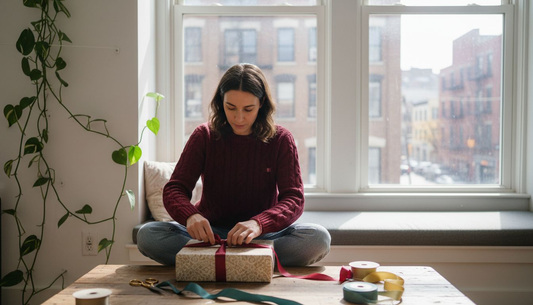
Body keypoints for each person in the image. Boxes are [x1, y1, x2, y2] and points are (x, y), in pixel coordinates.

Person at [137, 63, 331, 267]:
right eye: (231, 107)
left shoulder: (281, 139)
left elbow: (294, 199)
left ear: (262, 103)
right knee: (148, 235)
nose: (239, 118)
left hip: (262, 235)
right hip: (210, 236)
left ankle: (212, 264)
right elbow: (174, 189)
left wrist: (259, 223)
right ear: (221, 102)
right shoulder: (204, 136)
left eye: (248, 109)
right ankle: (248, 265)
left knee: (318, 238)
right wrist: (190, 216)